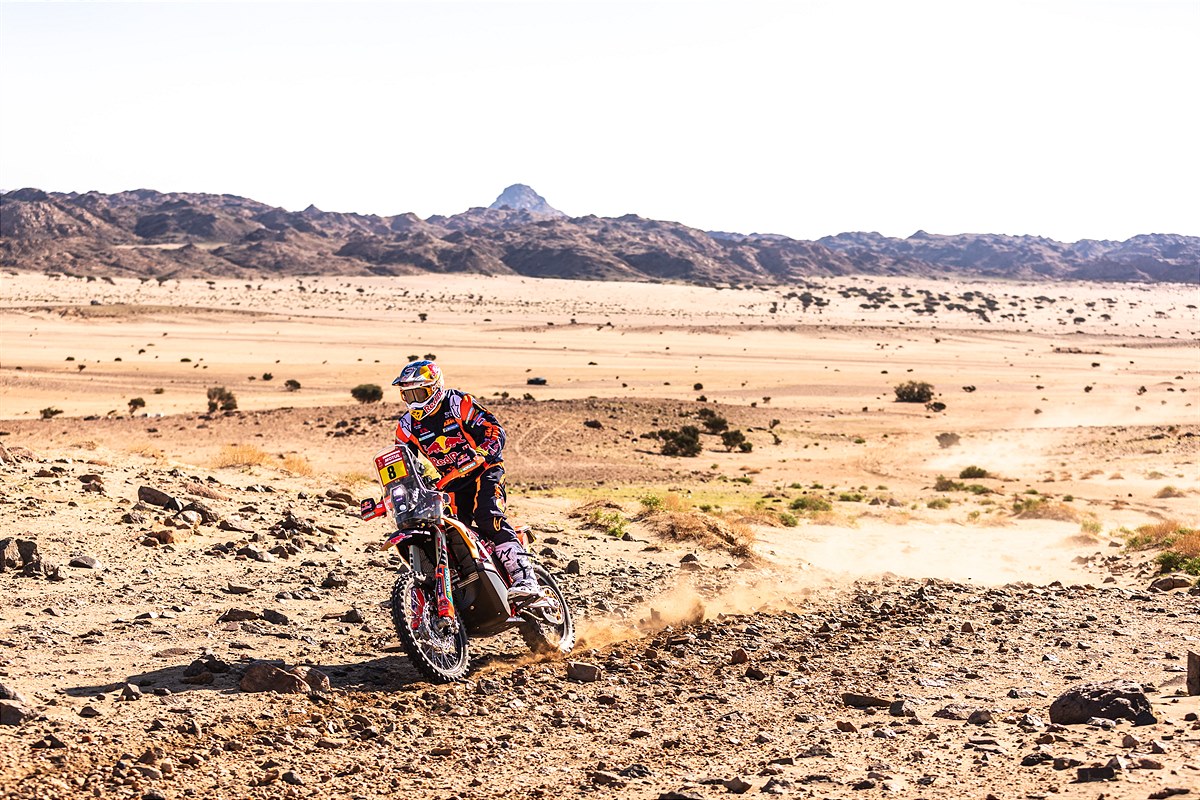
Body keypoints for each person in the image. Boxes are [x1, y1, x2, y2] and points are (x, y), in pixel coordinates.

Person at [391, 360, 539, 599]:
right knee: (448, 532)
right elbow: (402, 464)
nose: (414, 401)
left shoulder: (458, 403)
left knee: (488, 515)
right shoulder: (406, 426)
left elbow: (493, 429)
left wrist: (482, 452)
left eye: (419, 393)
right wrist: (393, 491)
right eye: (407, 395)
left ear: (435, 388)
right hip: (450, 481)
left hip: (484, 469)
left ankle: (526, 578)